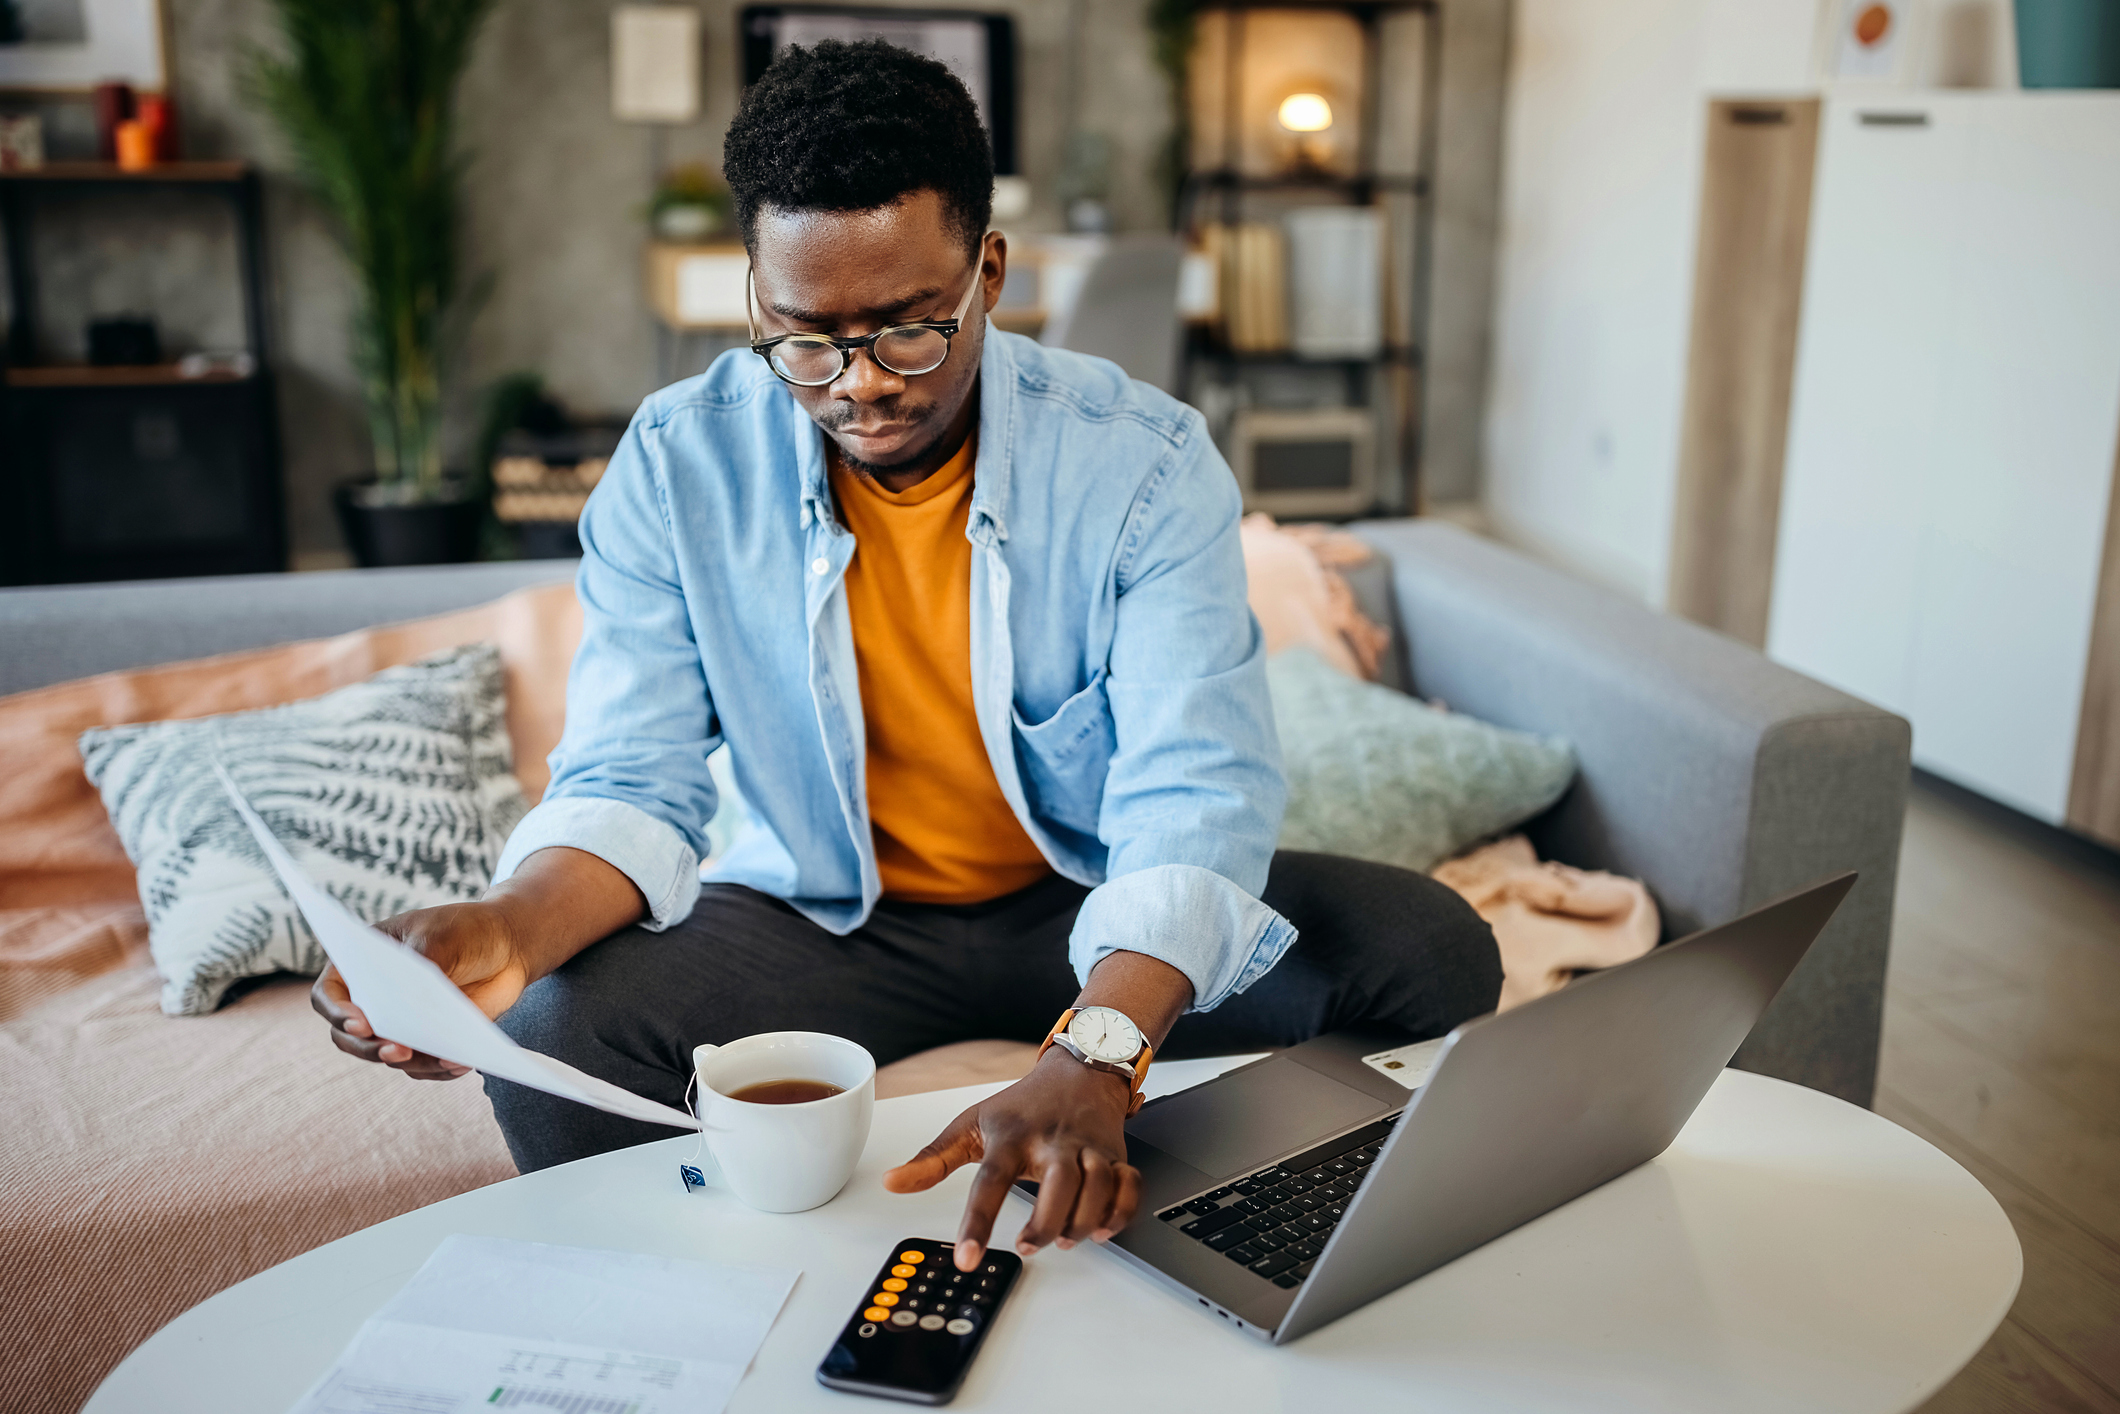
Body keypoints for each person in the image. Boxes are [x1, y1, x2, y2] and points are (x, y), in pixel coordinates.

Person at [312, 38, 1499, 1273]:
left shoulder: (1141, 464)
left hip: (1084, 897)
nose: (859, 389)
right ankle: (698, 1315)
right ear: (755, 293)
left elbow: (1191, 795)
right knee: (559, 1026)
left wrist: (1098, 1050)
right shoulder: (676, 463)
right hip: (822, 917)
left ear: (989, 268)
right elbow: (630, 775)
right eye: (807, 339)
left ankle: (1238, 1231)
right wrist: (507, 928)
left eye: (907, 333)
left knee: (1425, 949)